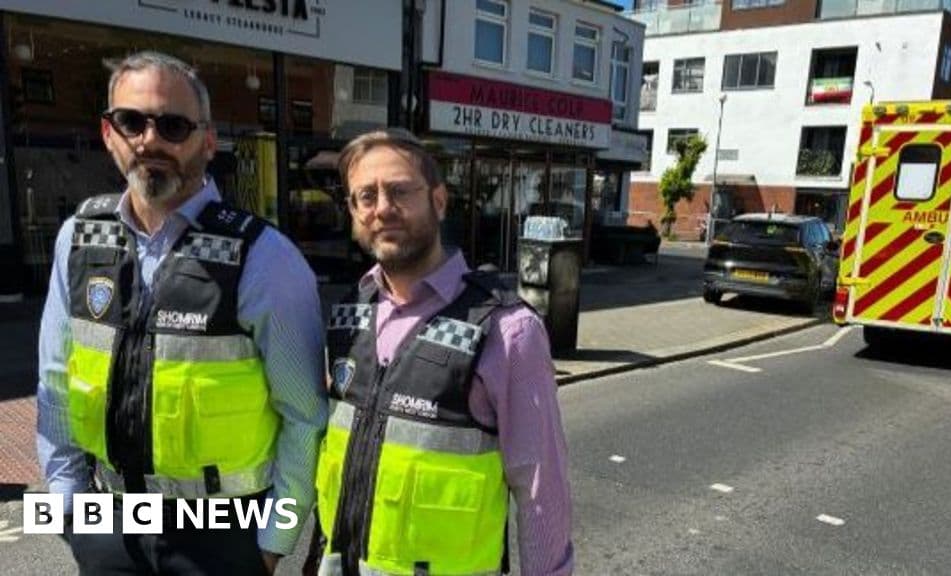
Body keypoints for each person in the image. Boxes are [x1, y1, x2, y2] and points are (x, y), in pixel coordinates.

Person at [36, 51, 327, 574]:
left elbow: (304, 416)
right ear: (109, 134)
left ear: (208, 141)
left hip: (223, 534)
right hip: (110, 523)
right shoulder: (77, 239)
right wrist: (69, 511)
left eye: (172, 125)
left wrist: (270, 546)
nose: (150, 140)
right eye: (131, 121)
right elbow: (56, 384)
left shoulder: (265, 258)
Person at [311, 129, 573, 575]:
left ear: (438, 199)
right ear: (353, 212)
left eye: (399, 191)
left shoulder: (508, 330)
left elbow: (540, 492)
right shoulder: (348, 315)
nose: (383, 209)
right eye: (365, 196)